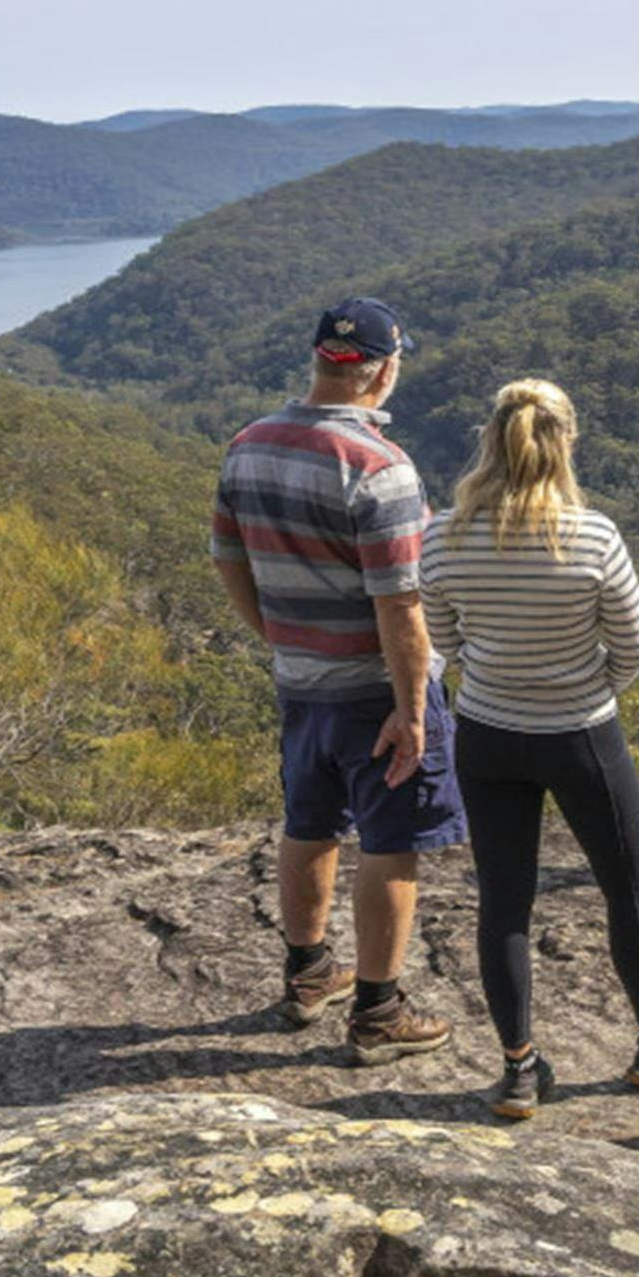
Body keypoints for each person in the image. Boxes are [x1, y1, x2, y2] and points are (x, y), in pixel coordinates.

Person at [421, 379, 639, 1119]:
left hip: (489, 733)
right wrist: (589, 687)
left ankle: (520, 1069)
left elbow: (443, 642)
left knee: (503, 902)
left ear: (490, 441)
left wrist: (502, 672)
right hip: (582, 732)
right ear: (565, 444)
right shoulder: (591, 535)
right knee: (627, 888)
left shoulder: (443, 536)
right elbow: (636, 646)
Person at [210, 296, 466, 1066]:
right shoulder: (380, 469)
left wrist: (280, 638)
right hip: (370, 691)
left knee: (309, 821)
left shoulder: (248, 445)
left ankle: (308, 971)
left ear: (320, 360)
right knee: (393, 843)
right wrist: (414, 706)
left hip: (300, 681)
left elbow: (228, 560)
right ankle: (380, 1012)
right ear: (384, 373)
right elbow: (401, 606)